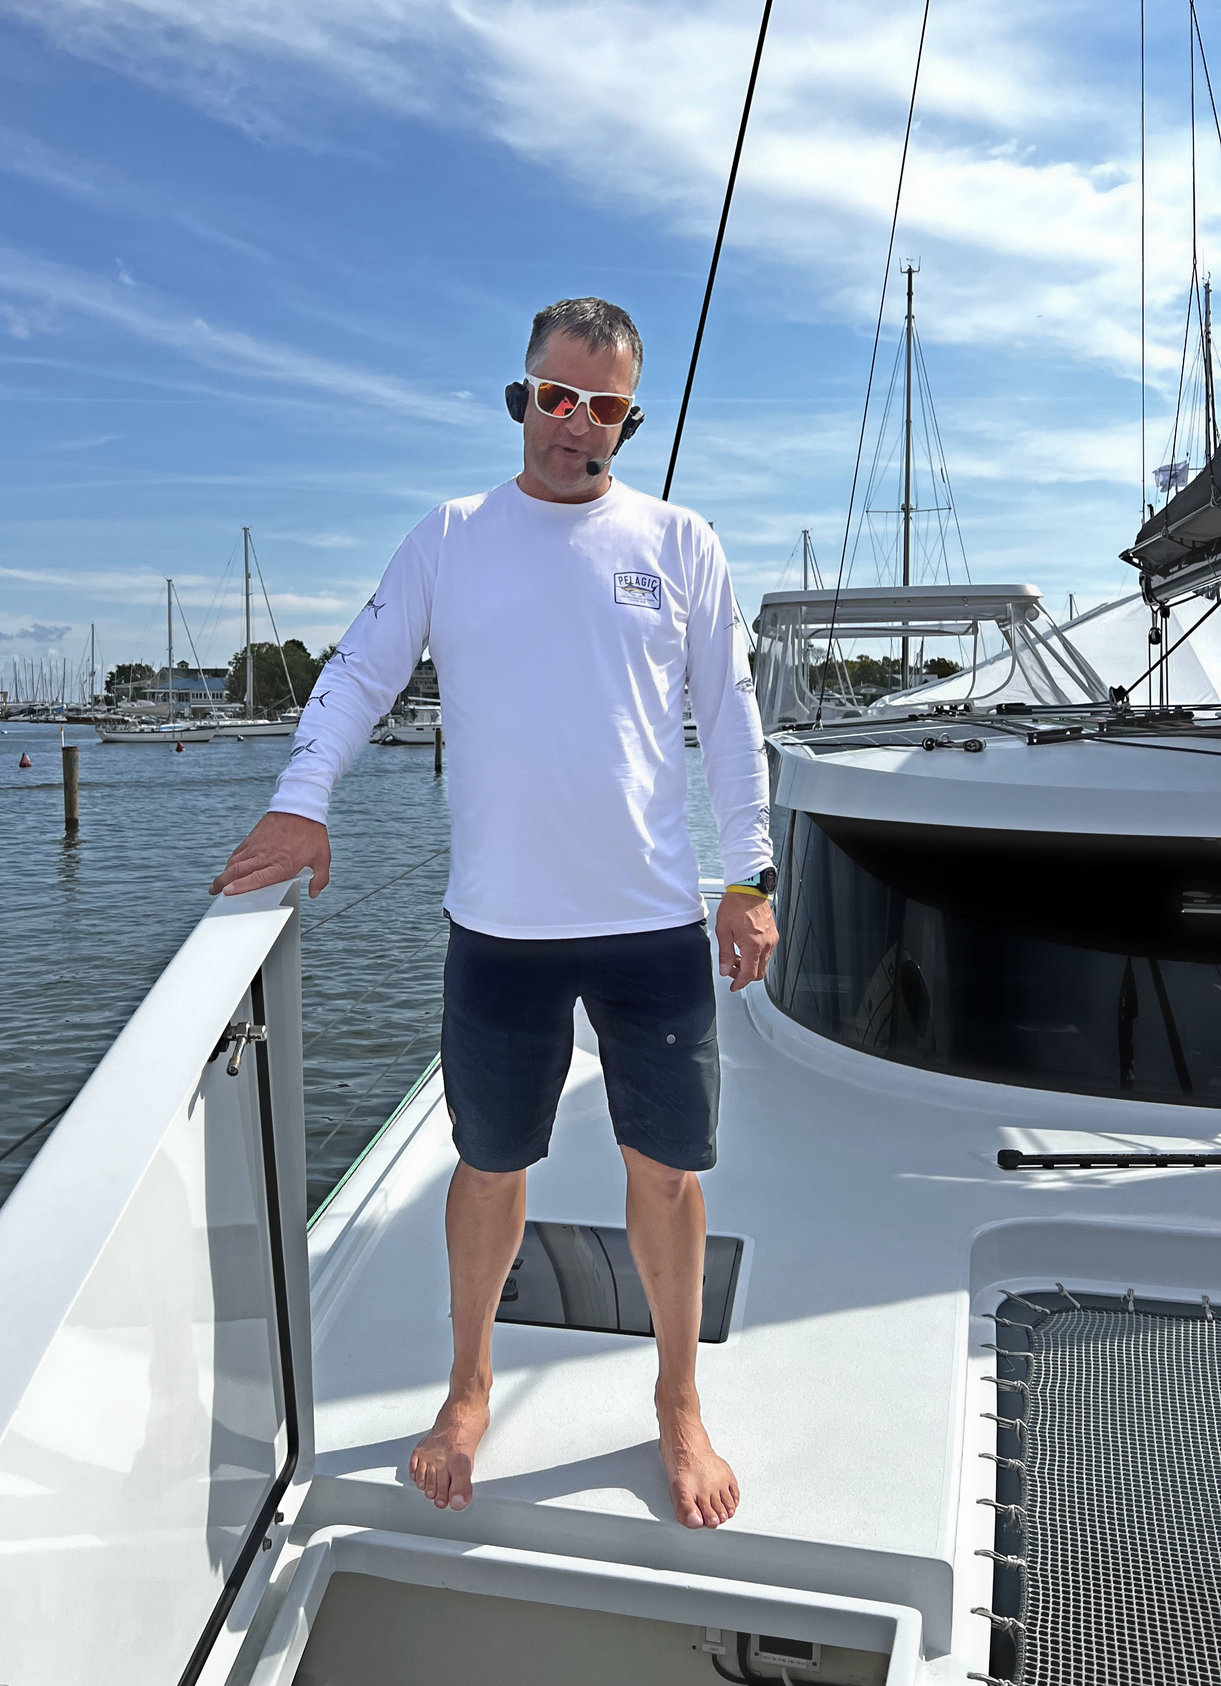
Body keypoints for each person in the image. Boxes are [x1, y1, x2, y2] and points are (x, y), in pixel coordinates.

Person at [211, 297, 776, 1531]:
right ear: (519, 396)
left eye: (603, 408)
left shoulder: (680, 541)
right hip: (500, 931)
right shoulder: (450, 538)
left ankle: (677, 1403)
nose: (573, 426)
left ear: (632, 416)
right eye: (552, 398)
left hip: (649, 927)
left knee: (667, 1175)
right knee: (487, 1164)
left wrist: (749, 874)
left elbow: (728, 713)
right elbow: (359, 671)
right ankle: (467, 1389)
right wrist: (302, 801)